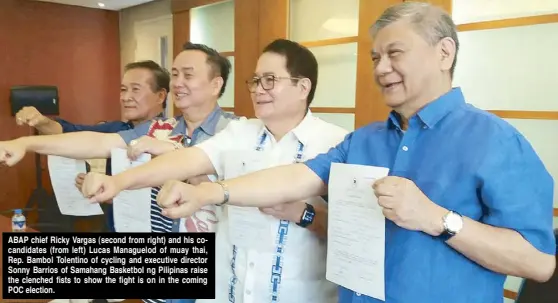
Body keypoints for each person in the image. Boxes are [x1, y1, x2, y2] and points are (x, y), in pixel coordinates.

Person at [152, 2, 555, 303]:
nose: (380, 69)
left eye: (395, 54)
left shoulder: (495, 140)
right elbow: (297, 177)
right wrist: (208, 193)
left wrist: (438, 219)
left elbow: (538, 263)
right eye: (376, 57)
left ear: (444, 53)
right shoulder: (363, 140)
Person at [79, 39, 348, 303]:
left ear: (302, 87)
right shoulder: (241, 132)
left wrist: (305, 214)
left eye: (270, 80)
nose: (258, 90)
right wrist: (118, 182)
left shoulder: (336, 143)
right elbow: (188, 159)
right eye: (255, 81)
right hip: (227, 291)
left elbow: (354, 236)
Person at [0, 42, 235, 303]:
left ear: (216, 85)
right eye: (175, 73)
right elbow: (96, 142)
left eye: (188, 75)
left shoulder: (237, 132)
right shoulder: (160, 128)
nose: (178, 82)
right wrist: (25, 144)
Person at [13, 60, 169, 233]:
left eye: (135, 89)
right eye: (123, 90)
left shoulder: (173, 137)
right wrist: (41, 122)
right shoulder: (118, 130)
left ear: (160, 96)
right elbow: (69, 133)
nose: (125, 97)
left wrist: (115, 191)